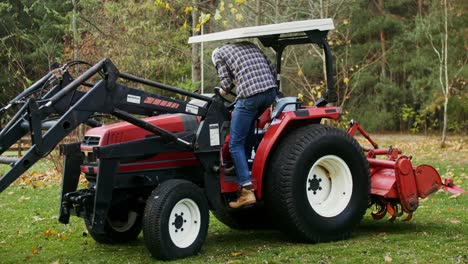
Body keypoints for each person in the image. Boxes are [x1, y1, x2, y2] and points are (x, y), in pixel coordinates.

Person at [212, 41, 277, 208]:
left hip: (250, 96)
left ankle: (247, 191)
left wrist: (220, 92)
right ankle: (242, 168)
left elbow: (226, 84)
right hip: (269, 92)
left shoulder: (218, 55)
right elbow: (271, 68)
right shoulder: (250, 45)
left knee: (234, 143)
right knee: (246, 130)